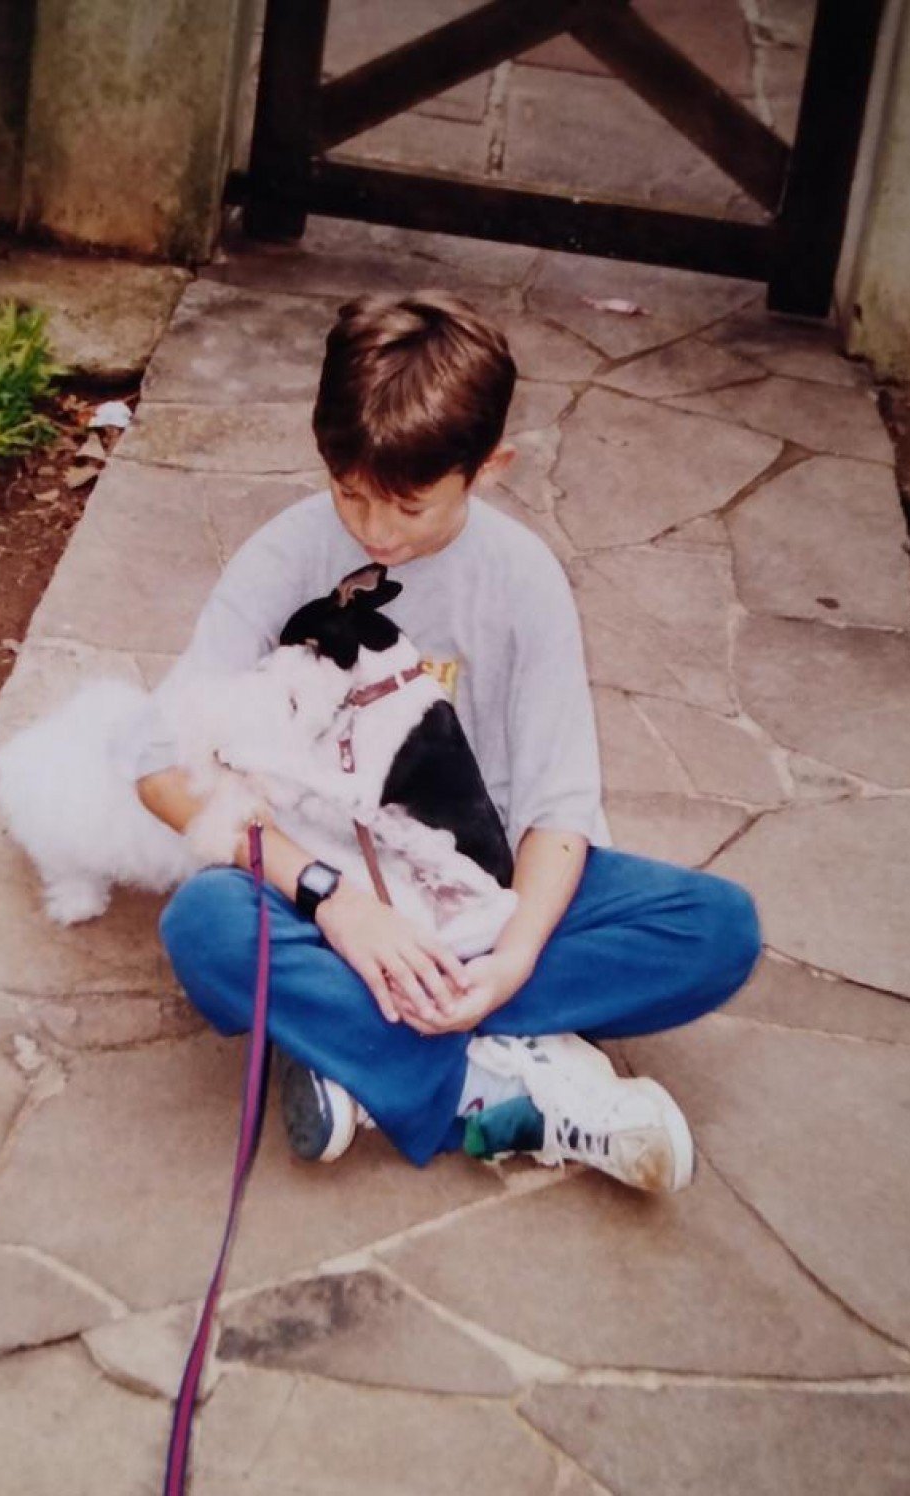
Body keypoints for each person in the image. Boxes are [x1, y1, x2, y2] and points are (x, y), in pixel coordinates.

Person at [132, 292, 760, 1193]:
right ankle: (493, 1085)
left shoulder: (524, 581)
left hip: (480, 883)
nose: (377, 532)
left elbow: (558, 811)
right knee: (206, 927)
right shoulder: (283, 555)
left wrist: (507, 964)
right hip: (321, 881)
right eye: (350, 494)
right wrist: (335, 902)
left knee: (718, 931)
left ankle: (363, 1052)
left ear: (489, 468)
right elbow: (156, 765)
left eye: (411, 506)